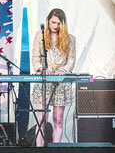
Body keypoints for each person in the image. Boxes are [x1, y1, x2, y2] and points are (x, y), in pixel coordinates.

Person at [31, 8, 76, 146]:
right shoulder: (40, 35)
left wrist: (64, 69)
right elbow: (35, 59)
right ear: (48, 21)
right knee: (41, 120)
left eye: (58, 24)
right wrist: (41, 68)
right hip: (44, 81)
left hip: (60, 83)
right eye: (53, 22)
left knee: (58, 119)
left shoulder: (70, 39)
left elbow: (71, 60)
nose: (55, 26)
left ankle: (56, 149)